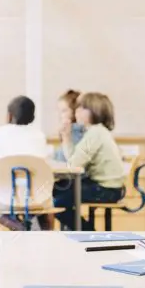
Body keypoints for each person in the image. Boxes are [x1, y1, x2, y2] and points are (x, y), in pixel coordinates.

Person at [53, 92, 126, 231]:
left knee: (57, 202)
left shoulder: (95, 133)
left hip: (107, 189)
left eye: (81, 108)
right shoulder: (96, 132)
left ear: (94, 111)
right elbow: (74, 160)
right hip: (108, 186)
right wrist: (67, 137)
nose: (77, 112)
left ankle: (88, 232)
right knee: (57, 190)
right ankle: (82, 230)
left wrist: (67, 139)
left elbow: (74, 165)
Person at [0, 96, 50, 231]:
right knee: (41, 209)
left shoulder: (0, 133)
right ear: (33, 117)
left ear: (9, 116)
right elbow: (42, 163)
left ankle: (19, 228)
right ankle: (41, 234)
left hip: (6, 198)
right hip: (37, 197)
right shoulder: (39, 135)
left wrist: (0, 164)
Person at [52, 89, 84, 162]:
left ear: (75, 111)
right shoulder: (66, 131)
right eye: (59, 110)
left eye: (64, 111)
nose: (60, 115)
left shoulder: (77, 132)